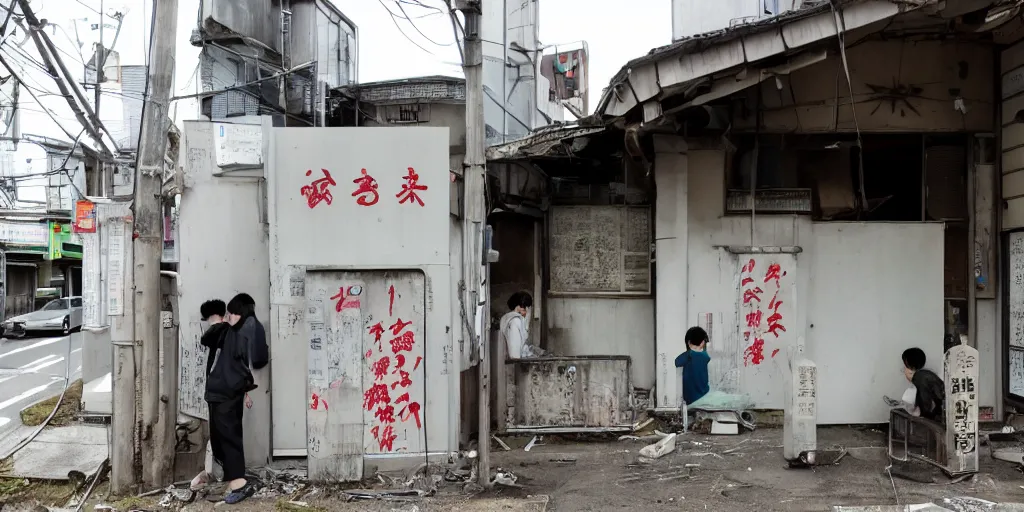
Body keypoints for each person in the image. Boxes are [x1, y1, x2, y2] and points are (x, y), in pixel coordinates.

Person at [203, 293, 269, 504]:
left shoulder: (243, 329)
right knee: (223, 438)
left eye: (232, 313)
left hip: (226, 393)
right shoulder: (233, 330)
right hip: (221, 392)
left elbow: (255, 360)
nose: (229, 316)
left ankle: (239, 484)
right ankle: (233, 481)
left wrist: (243, 385)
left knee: (229, 438)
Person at [190, 300, 231, 491]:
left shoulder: (221, 331)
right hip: (224, 392)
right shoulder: (228, 332)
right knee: (222, 433)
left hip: (220, 393)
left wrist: (216, 323)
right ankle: (223, 472)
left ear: (210, 317)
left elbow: (205, 339)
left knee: (220, 433)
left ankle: (224, 473)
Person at [892, 347, 945, 422]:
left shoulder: (919, 377)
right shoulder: (926, 375)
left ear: (910, 369)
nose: (903, 370)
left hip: (934, 421)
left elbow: (926, 406)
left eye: (905, 367)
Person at [499, 291, 545, 359]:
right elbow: (515, 354)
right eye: (527, 308)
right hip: (515, 362)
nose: (527, 311)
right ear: (521, 307)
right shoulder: (515, 321)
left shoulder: (506, 318)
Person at [674, 326, 711, 405]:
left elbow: (677, 362)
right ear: (702, 343)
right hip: (704, 395)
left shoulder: (688, 355)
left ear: (688, 342)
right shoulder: (705, 356)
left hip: (690, 398)